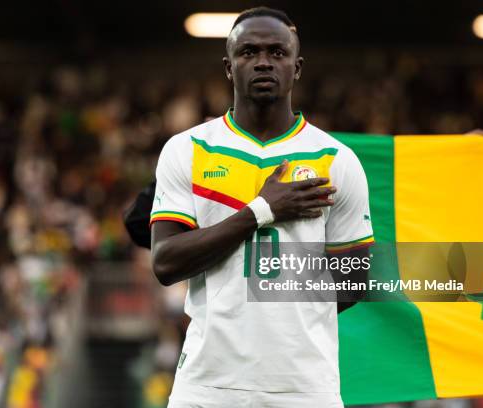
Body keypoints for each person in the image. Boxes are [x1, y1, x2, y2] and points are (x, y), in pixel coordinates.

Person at [135, 7, 374, 407]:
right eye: (249, 52)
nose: (263, 62)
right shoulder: (188, 150)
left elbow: (354, 281)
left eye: (277, 53)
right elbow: (165, 262)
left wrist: (281, 319)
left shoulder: (336, 158)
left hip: (304, 387)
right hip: (207, 388)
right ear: (229, 67)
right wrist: (261, 211)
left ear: (297, 68)